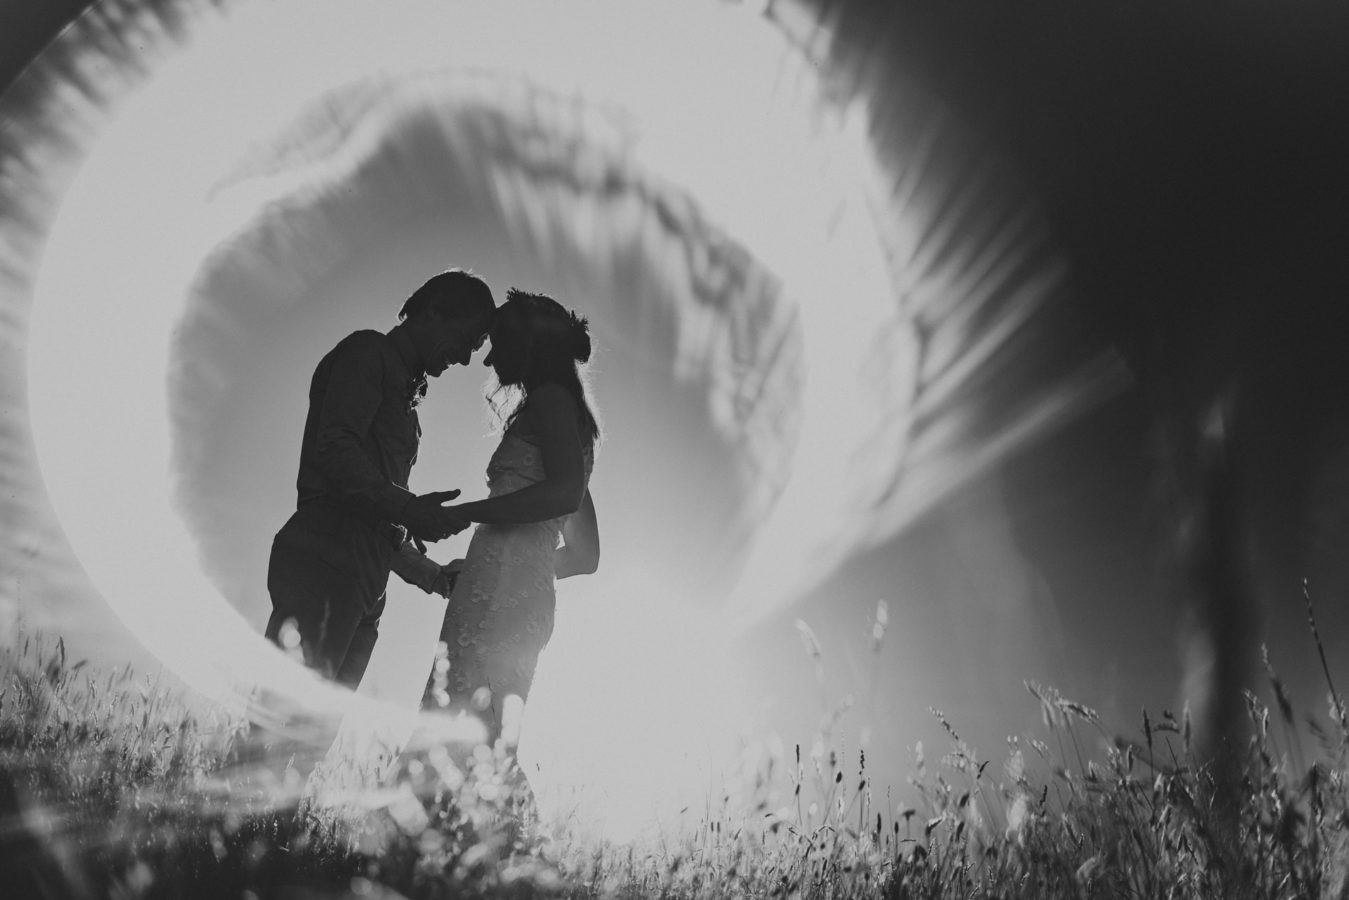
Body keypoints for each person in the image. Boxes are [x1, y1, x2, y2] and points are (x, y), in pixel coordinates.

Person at [264, 268, 495, 691]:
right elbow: (335, 450)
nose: (464, 357)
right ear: (435, 311)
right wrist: (411, 509)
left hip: (366, 589)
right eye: (468, 339)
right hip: (325, 562)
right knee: (280, 720)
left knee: (312, 743)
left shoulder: (410, 407)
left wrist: (434, 575)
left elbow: (379, 518)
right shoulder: (367, 352)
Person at [421, 288, 601, 783]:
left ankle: (487, 848)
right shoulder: (574, 423)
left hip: (503, 593)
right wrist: (498, 560)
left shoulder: (549, 400)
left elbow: (564, 493)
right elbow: (585, 554)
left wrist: (468, 516)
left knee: (457, 727)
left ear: (526, 346)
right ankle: (500, 851)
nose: (489, 355)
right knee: (487, 738)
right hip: (517, 589)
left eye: (498, 343)